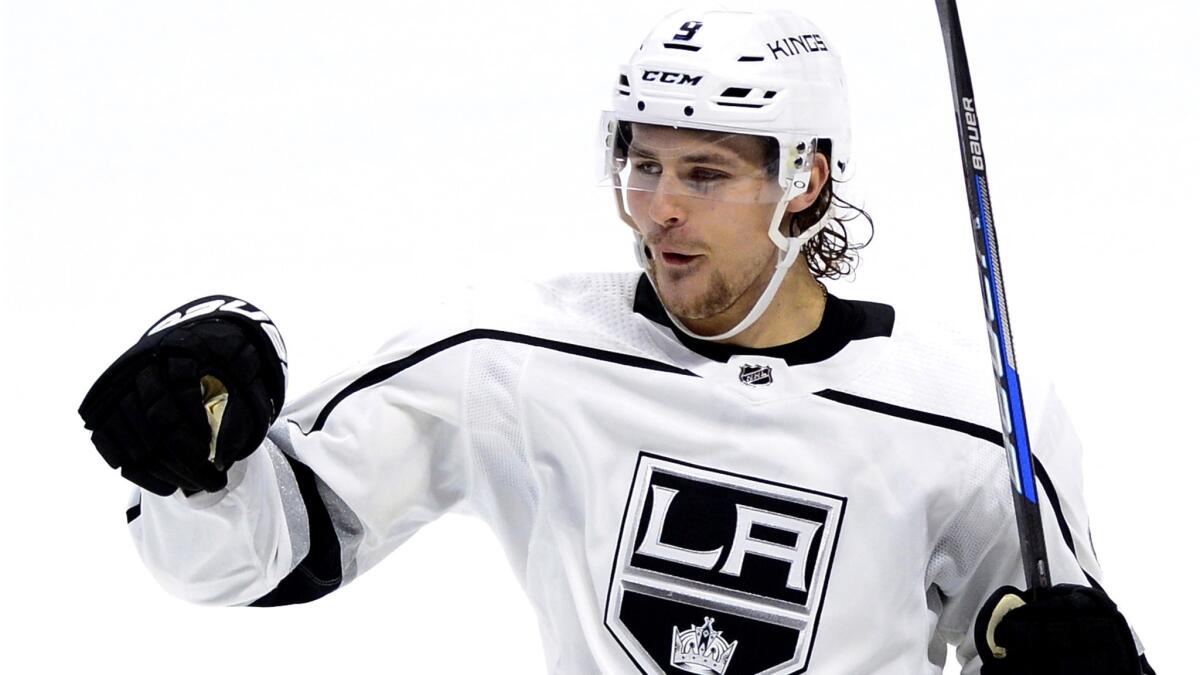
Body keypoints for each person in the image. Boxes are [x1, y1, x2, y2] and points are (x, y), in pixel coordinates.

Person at [79, 9, 1153, 675]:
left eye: (706, 174)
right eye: (643, 165)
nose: (658, 211)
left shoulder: (966, 417)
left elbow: (1060, 639)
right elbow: (271, 553)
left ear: (806, 181)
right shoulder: (516, 351)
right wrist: (196, 464)